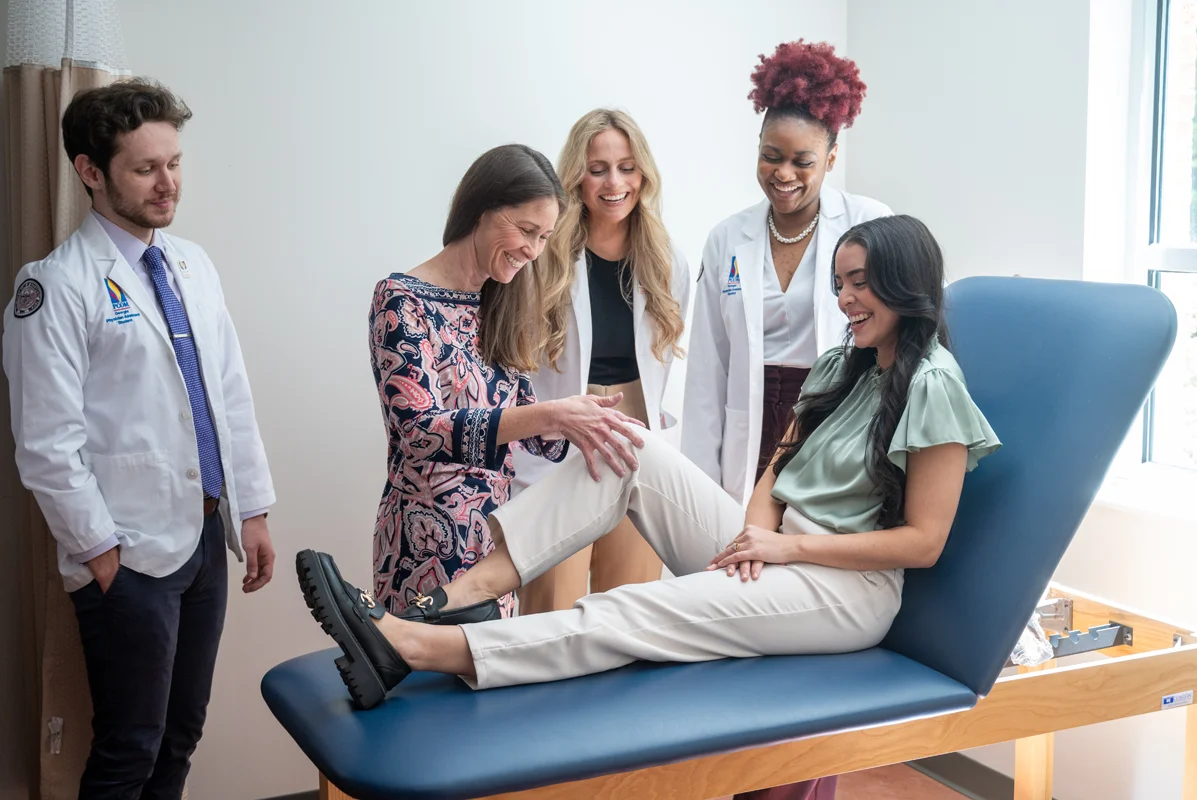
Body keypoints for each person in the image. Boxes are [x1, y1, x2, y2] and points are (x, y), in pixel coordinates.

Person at [296, 215, 1002, 723]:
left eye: (860, 285)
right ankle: (465, 591)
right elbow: (778, 466)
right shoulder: (838, 366)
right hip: (774, 553)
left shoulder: (934, 385)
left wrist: (786, 548)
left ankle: (416, 646)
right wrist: (749, 541)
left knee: (636, 608)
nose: (845, 300)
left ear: (905, 285)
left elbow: (923, 542)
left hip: (847, 589)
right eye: (840, 284)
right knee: (629, 445)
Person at [2, 80, 276, 799]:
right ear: (91, 171)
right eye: (145, 169)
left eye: (175, 163)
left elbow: (229, 396)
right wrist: (100, 554)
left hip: (205, 537)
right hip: (128, 557)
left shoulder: (192, 264)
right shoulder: (54, 287)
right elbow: (44, 442)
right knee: (130, 747)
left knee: (182, 734)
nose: (168, 184)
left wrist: (252, 509)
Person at [368, 143, 647, 620]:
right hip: (423, 546)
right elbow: (418, 432)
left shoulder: (501, 306)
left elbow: (532, 434)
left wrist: (580, 423)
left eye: (544, 237)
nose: (532, 251)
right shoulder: (401, 300)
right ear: (480, 210)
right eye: (525, 230)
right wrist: (549, 414)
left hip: (495, 548)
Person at [683, 38, 893, 510]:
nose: (784, 174)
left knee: (809, 541)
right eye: (771, 155)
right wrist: (697, 479)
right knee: (738, 549)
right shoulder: (727, 238)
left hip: (836, 411)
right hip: (751, 415)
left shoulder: (868, 223)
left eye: (803, 162)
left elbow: (905, 330)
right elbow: (707, 367)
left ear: (831, 159)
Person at [512, 109, 690, 614]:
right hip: (559, 436)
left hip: (636, 436)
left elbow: (660, 369)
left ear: (644, 175)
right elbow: (514, 365)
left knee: (631, 609)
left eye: (627, 167)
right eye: (598, 168)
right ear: (576, 177)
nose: (615, 182)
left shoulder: (666, 260)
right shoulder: (541, 259)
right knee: (550, 610)